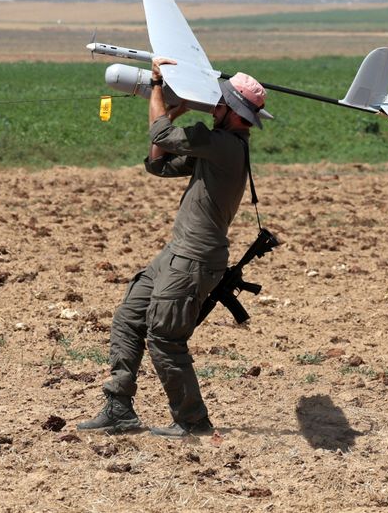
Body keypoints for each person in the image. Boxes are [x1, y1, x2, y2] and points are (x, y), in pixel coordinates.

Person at [77, 56, 269, 437]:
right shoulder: (217, 148)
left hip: (194, 259)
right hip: (177, 254)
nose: (213, 106)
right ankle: (118, 408)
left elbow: (161, 134)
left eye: (220, 102)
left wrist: (158, 88)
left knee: (165, 337)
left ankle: (193, 422)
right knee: (129, 317)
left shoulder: (222, 145)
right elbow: (159, 163)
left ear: (231, 112)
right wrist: (173, 112)